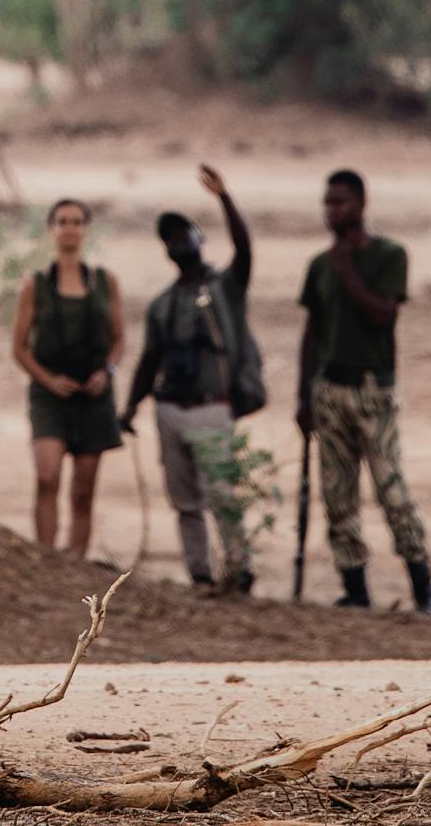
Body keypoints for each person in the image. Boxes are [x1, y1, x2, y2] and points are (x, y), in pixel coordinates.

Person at [297, 168, 431, 613]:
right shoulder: (319, 265)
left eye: (338, 203)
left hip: (373, 390)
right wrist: (304, 396)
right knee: (338, 495)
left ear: (360, 204)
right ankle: (355, 588)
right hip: (330, 389)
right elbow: (312, 332)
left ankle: (423, 590)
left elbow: (383, 315)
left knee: (391, 490)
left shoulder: (390, 255)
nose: (330, 212)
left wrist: (348, 272)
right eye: (327, 203)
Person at [120, 164, 254, 594]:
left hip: (212, 405)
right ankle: (200, 575)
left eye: (185, 234)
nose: (179, 243)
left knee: (224, 498)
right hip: (170, 408)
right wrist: (131, 406)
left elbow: (245, 250)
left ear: (201, 239)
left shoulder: (224, 289)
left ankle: (238, 571)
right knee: (185, 502)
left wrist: (224, 198)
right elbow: (148, 358)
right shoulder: (162, 304)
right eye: (170, 239)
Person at [13, 198, 125, 556]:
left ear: (85, 229)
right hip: (50, 395)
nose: (70, 228)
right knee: (47, 478)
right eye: (62, 221)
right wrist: (49, 381)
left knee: (84, 490)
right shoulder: (36, 284)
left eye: (77, 221)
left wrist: (107, 372)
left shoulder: (106, 282)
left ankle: (76, 559)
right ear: (52, 229)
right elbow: (19, 348)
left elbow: (119, 339)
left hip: (93, 395)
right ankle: (45, 557)